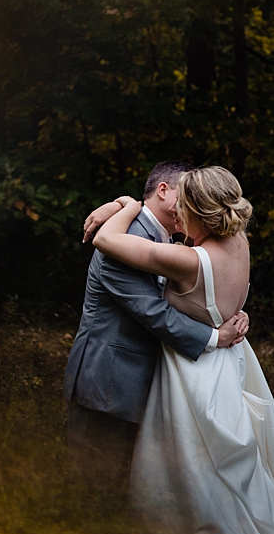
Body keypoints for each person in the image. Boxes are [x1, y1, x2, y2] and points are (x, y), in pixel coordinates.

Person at [92, 166, 274, 534]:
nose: (176, 216)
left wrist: (126, 204)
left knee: (190, 472)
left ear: (199, 210)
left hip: (194, 372)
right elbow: (226, 298)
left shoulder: (188, 261)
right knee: (225, 474)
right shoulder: (239, 243)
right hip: (230, 363)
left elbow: (105, 241)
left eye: (183, 208)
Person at [63, 162, 248, 503]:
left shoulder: (176, 241)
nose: (189, 203)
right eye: (185, 194)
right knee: (92, 489)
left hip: (146, 382)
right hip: (109, 382)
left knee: (130, 489)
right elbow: (154, 312)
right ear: (164, 192)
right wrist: (215, 337)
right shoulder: (123, 241)